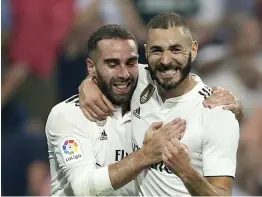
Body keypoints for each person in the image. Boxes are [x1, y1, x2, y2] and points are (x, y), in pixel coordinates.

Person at [78, 13, 240, 196]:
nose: (165, 60)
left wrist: (186, 172)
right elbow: (106, 72)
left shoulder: (216, 112)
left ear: (194, 50)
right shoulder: (138, 80)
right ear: (146, 52)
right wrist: (88, 85)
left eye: (176, 49)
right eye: (157, 50)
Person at [45, 24, 187, 196]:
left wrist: (225, 97)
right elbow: (83, 188)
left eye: (131, 62)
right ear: (91, 67)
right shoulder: (67, 115)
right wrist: (145, 155)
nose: (124, 73)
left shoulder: (149, 91)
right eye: (112, 64)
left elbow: (183, 80)